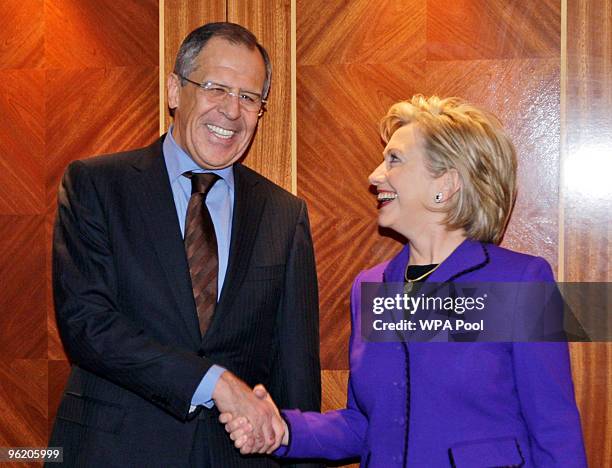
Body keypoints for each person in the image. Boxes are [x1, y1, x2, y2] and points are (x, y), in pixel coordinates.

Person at [222, 95, 587, 467]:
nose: (375, 176)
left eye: (394, 160)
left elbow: (555, 434)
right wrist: (283, 430)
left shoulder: (521, 283)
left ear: (445, 183)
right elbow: (365, 425)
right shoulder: (372, 287)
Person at [48, 22, 321, 467]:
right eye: (216, 88)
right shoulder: (98, 186)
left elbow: (296, 376)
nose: (232, 111)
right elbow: (88, 326)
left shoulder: (284, 215)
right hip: (114, 452)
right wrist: (214, 382)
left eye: (249, 98)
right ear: (175, 90)